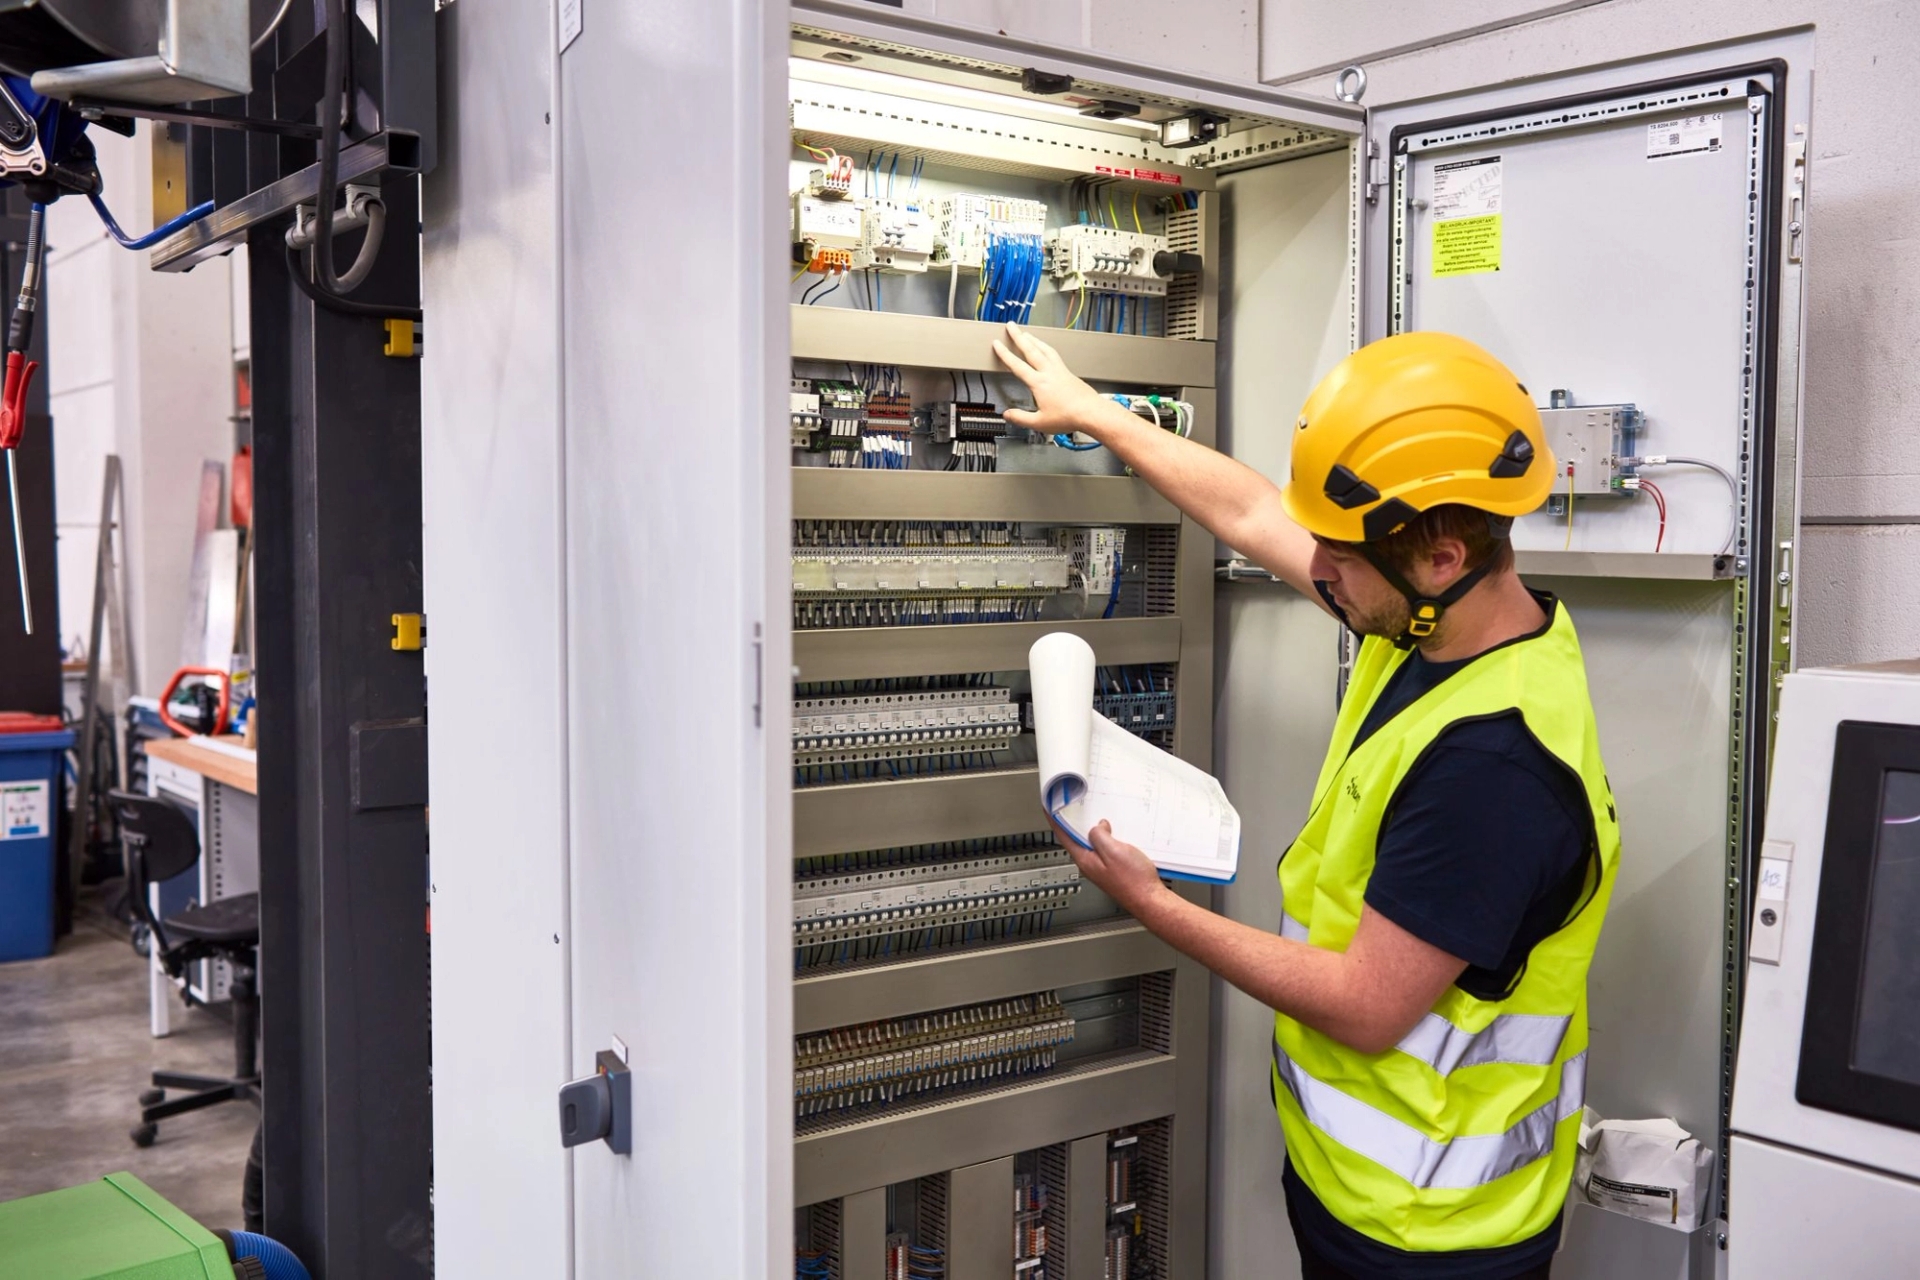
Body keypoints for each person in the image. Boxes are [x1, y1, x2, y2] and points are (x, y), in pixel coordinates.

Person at [992, 324, 1620, 1280]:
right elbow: (1251, 511)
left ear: (1441, 558)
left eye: (1340, 553)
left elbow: (1366, 1007)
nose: (1317, 568)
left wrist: (1154, 905)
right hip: (1359, 1186)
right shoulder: (1429, 628)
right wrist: (1101, 418)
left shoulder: (1494, 767)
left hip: (1426, 1234)